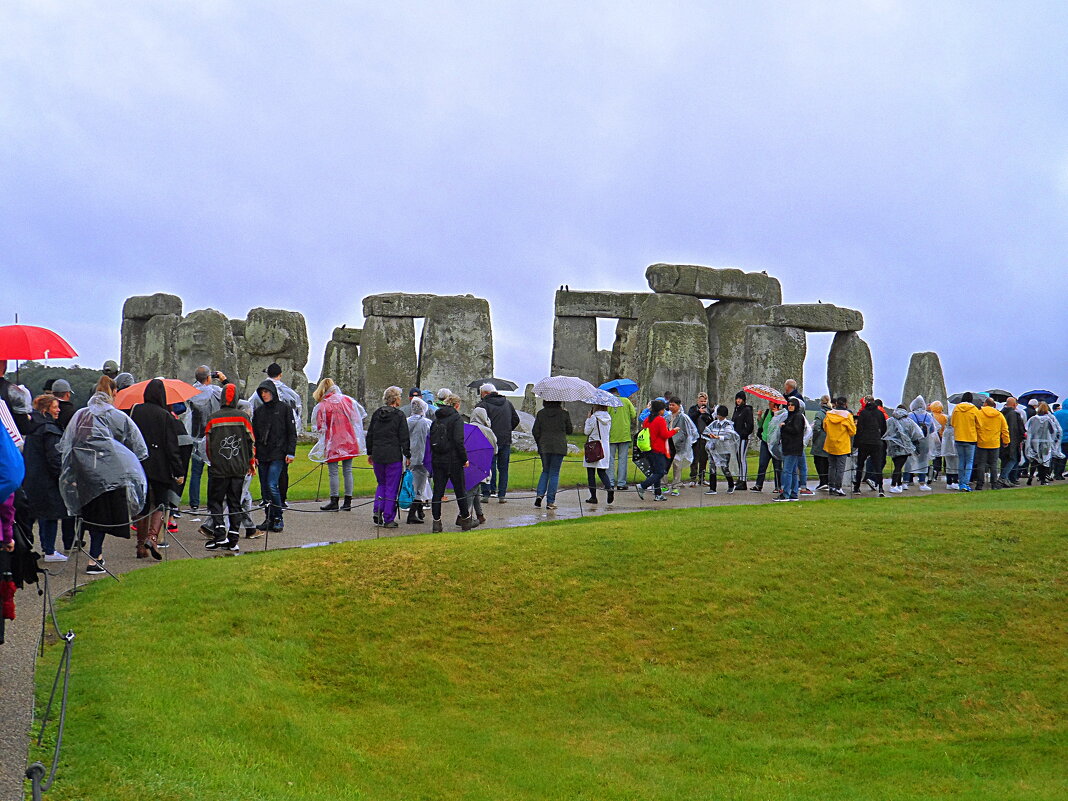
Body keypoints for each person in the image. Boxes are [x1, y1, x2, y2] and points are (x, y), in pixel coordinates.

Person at [58, 376, 148, 575]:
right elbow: (139, 447)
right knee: (103, 517)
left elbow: (67, 444)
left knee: (90, 515)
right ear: (113, 393)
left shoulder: (80, 415)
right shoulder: (117, 416)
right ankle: (95, 557)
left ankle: (93, 553)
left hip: (85, 474)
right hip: (109, 475)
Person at [129, 378, 183, 559]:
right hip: (160, 465)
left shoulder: (136, 411)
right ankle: (153, 537)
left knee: (142, 505)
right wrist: (178, 470)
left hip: (139, 463)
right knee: (161, 502)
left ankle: (140, 544)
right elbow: (171, 446)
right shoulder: (165, 415)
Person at [203, 383, 255, 551]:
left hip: (219, 468)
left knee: (215, 501)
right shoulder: (243, 418)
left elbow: (208, 446)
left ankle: (219, 533)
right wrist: (250, 463)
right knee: (235, 502)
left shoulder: (213, 418)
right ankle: (233, 536)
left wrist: (213, 461)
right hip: (238, 467)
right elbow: (251, 442)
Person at [250, 363, 304, 510]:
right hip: (267, 447)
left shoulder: (259, 398)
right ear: (280, 374)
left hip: (278, 447)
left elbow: (249, 408)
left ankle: (276, 508)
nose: (264, 394)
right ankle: (280, 500)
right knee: (278, 477)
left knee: (270, 482)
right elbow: (298, 410)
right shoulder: (290, 393)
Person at [22, 395, 68, 561]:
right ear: (46, 409)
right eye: (55, 407)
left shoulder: (32, 426)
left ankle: (29, 548)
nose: (58, 410)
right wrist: (62, 476)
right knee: (50, 515)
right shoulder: (49, 429)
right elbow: (54, 458)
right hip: (47, 479)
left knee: (34, 515)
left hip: (31, 476)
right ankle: (49, 550)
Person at [311, 378, 363, 512]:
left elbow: (319, 427)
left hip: (332, 441)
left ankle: (334, 500)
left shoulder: (323, 405)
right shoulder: (347, 400)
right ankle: (348, 501)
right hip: (349, 439)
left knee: (333, 472)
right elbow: (356, 419)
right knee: (348, 470)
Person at [252, 379, 297, 532]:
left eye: (266, 392)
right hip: (263, 453)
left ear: (272, 392)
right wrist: (255, 453)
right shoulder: (259, 412)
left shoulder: (284, 409)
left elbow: (292, 433)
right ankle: (269, 516)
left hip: (278, 453)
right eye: (262, 392)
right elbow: (255, 435)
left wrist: (291, 452)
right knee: (265, 488)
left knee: (272, 484)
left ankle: (278, 517)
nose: (264, 395)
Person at [366, 386, 410, 528]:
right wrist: (407, 454)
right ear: (396, 399)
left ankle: (378, 509)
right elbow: (404, 437)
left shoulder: (377, 414)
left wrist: (370, 452)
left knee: (382, 483)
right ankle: (388, 517)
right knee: (392, 486)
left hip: (378, 453)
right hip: (392, 454)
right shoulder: (399, 415)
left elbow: (370, 434)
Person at [427, 393, 471, 533]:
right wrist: (464, 458)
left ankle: (436, 522)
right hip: (453, 459)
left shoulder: (437, 418)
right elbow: (458, 440)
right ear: (456, 405)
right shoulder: (456, 418)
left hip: (438, 458)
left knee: (438, 491)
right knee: (460, 490)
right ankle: (465, 519)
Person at [187, 366, 227, 512]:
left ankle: (194, 504)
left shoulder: (191, 392)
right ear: (209, 378)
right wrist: (224, 380)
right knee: (213, 472)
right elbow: (231, 395)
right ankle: (212, 503)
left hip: (195, 434)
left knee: (196, 473)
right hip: (212, 434)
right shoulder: (215, 391)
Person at [475, 383, 519, 503]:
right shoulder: (507, 403)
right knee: (503, 468)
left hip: (488, 439)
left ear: (484, 393)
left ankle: (486, 493)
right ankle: (502, 495)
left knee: (488, 466)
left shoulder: (482, 405)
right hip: (505, 438)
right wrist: (507, 429)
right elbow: (516, 419)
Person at [532, 400, 572, 509]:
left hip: (544, 446)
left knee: (545, 471)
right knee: (554, 473)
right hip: (559, 446)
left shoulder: (541, 413)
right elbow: (570, 430)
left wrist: (540, 442)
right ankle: (550, 501)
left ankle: (539, 495)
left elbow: (535, 431)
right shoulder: (564, 413)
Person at [635, 399, 677, 502]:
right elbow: (664, 435)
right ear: (660, 410)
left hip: (648, 448)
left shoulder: (647, 419)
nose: (664, 411)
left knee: (655, 472)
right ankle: (642, 486)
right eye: (663, 409)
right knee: (660, 472)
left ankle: (658, 494)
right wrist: (674, 431)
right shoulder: (660, 420)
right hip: (658, 449)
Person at [883, 405, 923, 493]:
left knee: (898, 466)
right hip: (905, 447)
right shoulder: (909, 421)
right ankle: (893, 485)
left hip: (893, 446)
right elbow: (916, 434)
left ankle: (899, 484)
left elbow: (884, 431)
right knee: (898, 467)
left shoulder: (890, 420)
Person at [467, 406, 496, 525]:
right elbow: (494, 449)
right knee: (472, 490)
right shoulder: (487, 430)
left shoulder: (467, 427)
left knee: (475, 489)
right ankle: (465, 516)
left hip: (468, 462)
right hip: (481, 463)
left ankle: (479, 515)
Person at [405, 397, 432, 524]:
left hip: (408, 457)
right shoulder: (427, 423)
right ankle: (412, 514)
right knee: (420, 486)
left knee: (412, 484)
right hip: (422, 457)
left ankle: (419, 511)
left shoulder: (406, 422)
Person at [852, 396, 887, 496]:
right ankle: (880, 488)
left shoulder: (863, 413)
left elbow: (859, 429)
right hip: (876, 441)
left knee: (860, 465)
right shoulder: (879, 413)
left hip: (864, 441)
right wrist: (878, 436)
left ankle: (857, 487)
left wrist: (856, 443)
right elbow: (884, 428)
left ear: (866, 402)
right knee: (878, 466)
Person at [902, 396, 938, 490]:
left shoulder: (910, 415)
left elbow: (906, 428)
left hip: (912, 441)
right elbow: (932, 430)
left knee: (909, 461)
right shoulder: (929, 416)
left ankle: (906, 481)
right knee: (923, 461)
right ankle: (922, 483)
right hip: (925, 441)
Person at [973, 398, 1010, 490]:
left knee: (981, 464)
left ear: (985, 404)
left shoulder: (978, 413)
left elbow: (974, 426)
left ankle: (980, 484)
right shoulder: (999, 415)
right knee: (993, 464)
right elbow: (1005, 429)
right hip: (994, 443)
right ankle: (994, 483)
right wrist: (1006, 441)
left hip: (981, 442)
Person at [822, 397, 856, 496]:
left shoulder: (829, 414)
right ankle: (838, 487)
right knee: (840, 468)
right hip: (842, 444)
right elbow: (853, 431)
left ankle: (831, 486)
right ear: (845, 404)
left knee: (831, 466)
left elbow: (825, 427)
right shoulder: (847, 416)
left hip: (830, 443)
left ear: (836, 403)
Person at [702, 405, 739, 494]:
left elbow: (729, 436)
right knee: (712, 467)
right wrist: (709, 435)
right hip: (714, 449)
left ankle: (731, 485)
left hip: (724, 449)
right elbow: (706, 431)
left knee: (724, 468)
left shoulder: (728, 424)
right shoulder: (714, 423)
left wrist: (718, 437)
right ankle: (712, 488)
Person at [666, 397, 699, 495]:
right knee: (665, 466)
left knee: (677, 466)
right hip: (668, 444)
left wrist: (687, 443)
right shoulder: (667, 417)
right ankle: (663, 485)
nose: (671, 407)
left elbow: (690, 431)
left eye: (673, 405)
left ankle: (675, 486)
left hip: (679, 445)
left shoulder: (683, 417)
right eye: (670, 405)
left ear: (679, 406)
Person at [583, 403, 614, 504]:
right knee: (602, 472)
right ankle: (609, 488)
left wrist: (588, 419)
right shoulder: (608, 417)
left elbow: (586, 432)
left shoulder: (593, 418)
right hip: (604, 446)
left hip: (594, 446)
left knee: (591, 473)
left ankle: (593, 497)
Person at [950, 392, 981, 492]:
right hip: (970, 438)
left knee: (961, 461)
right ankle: (965, 483)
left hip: (959, 437)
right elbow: (979, 424)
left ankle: (960, 483)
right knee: (969, 462)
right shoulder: (974, 409)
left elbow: (952, 423)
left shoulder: (956, 409)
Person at [1024, 403, 1063, 485]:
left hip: (1034, 442)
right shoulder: (1048, 419)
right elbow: (1054, 430)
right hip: (1046, 442)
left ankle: (1031, 476)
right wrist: (1053, 440)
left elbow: (1027, 429)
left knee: (1034, 460)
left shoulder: (1033, 419)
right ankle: (1043, 479)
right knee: (1045, 460)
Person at [776, 397, 807, 501]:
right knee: (792, 471)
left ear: (796, 406)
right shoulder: (790, 416)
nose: (790, 407)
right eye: (788, 405)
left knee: (787, 471)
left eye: (792, 405)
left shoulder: (797, 417)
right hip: (789, 446)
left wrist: (784, 427)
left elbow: (796, 430)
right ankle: (793, 494)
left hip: (793, 447)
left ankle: (786, 494)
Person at [751, 401, 783, 493]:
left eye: (771, 402)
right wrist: (759, 417)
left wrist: (776, 414)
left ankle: (778, 486)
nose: (769, 404)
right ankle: (758, 485)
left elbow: (778, 427)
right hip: (765, 441)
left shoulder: (780, 414)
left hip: (775, 443)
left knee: (777, 465)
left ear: (776, 404)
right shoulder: (767, 412)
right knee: (762, 464)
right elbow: (762, 425)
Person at [687, 393, 714, 487]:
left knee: (704, 459)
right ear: (697, 401)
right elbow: (690, 419)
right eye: (701, 401)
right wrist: (699, 412)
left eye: (704, 401)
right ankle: (693, 478)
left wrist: (708, 415)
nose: (703, 403)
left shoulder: (709, 410)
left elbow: (711, 423)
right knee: (695, 458)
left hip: (705, 437)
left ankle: (702, 478)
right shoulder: (693, 409)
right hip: (695, 437)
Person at [999, 397, 1026, 487]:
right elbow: (1019, 429)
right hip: (1013, 441)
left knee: (1004, 460)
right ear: (1015, 405)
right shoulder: (1015, 414)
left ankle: (1006, 479)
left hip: (1001, 441)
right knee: (1013, 459)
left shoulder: (1000, 413)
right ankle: (1003, 477)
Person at [731, 391, 755, 490]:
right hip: (737, 438)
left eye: (740, 399)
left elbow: (750, 425)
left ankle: (743, 480)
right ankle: (740, 479)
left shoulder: (747, 410)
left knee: (742, 458)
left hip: (743, 438)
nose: (738, 400)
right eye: (737, 399)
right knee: (738, 459)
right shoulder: (736, 410)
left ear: (744, 400)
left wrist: (743, 434)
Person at [810, 395, 832, 490]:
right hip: (830, 439)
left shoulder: (819, 414)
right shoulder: (832, 413)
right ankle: (827, 481)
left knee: (818, 461)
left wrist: (814, 439)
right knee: (827, 462)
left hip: (820, 440)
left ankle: (823, 482)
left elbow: (817, 428)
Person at [928, 400, 948, 481]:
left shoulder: (931, 416)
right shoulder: (945, 417)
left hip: (936, 437)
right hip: (944, 437)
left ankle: (936, 471)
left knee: (936, 456)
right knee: (946, 455)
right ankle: (947, 471)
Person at [1052, 402, 1068, 480]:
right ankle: (1059, 474)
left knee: (1056, 456)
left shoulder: (1056, 414)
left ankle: (1055, 472)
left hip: (1056, 438)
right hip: (1066, 439)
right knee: (1064, 457)